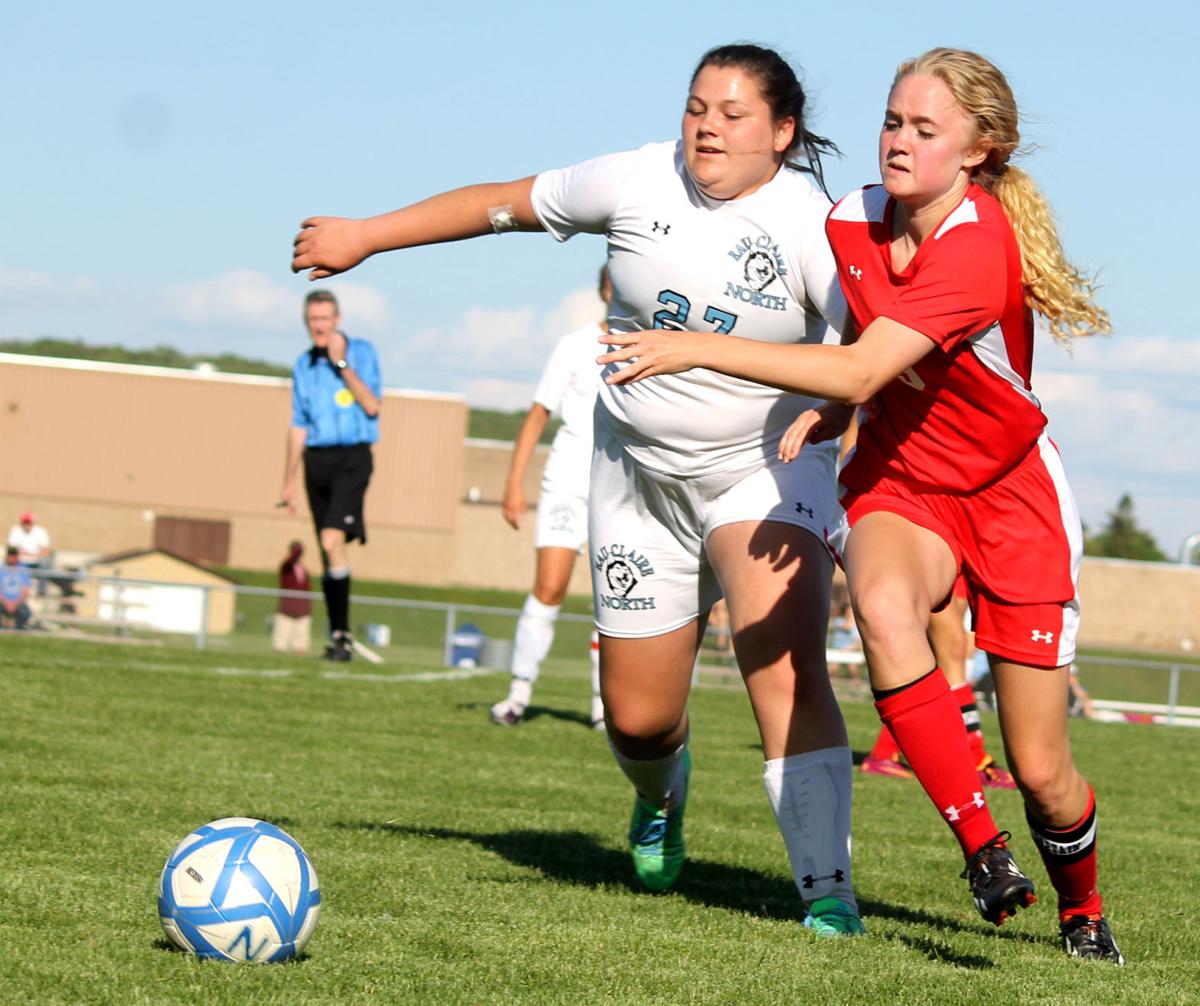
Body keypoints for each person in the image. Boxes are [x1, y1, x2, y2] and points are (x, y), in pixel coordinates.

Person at [293, 43, 864, 935]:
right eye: (696, 106)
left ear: (783, 133)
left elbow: (877, 355)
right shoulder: (636, 180)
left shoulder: (815, 227)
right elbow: (497, 207)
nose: (707, 126)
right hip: (635, 472)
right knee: (638, 721)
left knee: (782, 663)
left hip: (763, 468)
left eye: (733, 113)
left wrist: (837, 414)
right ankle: (661, 798)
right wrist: (367, 235)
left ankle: (828, 891)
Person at [597, 47, 1122, 963]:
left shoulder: (979, 244)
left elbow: (858, 363)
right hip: (902, 479)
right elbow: (861, 355)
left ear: (979, 151)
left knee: (1043, 772)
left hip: (1009, 498)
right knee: (881, 606)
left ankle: (1083, 909)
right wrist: (842, 407)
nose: (898, 142)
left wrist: (698, 348)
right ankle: (983, 853)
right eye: (891, 121)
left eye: (925, 129)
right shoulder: (851, 220)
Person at [490, 267, 612, 730]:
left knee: (614, 597)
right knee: (550, 587)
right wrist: (513, 483)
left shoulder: (652, 344)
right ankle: (517, 695)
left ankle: (604, 709)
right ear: (604, 288)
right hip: (567, 482)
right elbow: (539, 412)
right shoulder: (575, 345)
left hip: (622, 488)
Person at [278, 289, 382, 662]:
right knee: (327, 549)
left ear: (337, 319)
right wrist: (289, 480)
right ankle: (340, 635)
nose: (319, 327)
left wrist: (341, 365)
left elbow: (372, 405)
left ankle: (341, 635)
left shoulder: (363, 352)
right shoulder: (303, 366)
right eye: (313, 321)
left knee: (330, 538)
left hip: (352, 456)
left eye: (324, 319)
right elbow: (298, 426)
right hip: (316, 461)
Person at [273, 540, 313, 657]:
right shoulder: (286, 567)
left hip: (302, 611)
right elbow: (289, 562)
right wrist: (296, 551)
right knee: (280, 641)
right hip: (287, 610)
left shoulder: (303, 569)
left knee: (301, 643)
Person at [7, 511, 51, 597]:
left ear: (33, 522)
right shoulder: (16, 530)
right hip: (20, 562)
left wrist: (31, 554)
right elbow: (11, 549)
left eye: (29, 522)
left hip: (36, 562)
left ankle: (41, 593)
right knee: (7, 564)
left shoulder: (40, 531)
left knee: (45, 563)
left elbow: (47, 551)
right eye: (25, 522)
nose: (27, 524)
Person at [0, 546, 33, 629]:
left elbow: (25, 591)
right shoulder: (1, 568)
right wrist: (6, 602)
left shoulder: (23, 569)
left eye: (14, 555)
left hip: (18, 602)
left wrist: (15, 603)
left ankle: (16, 628)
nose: (12, 558)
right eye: (10, 555)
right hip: (3, 601)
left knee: (26, 613)